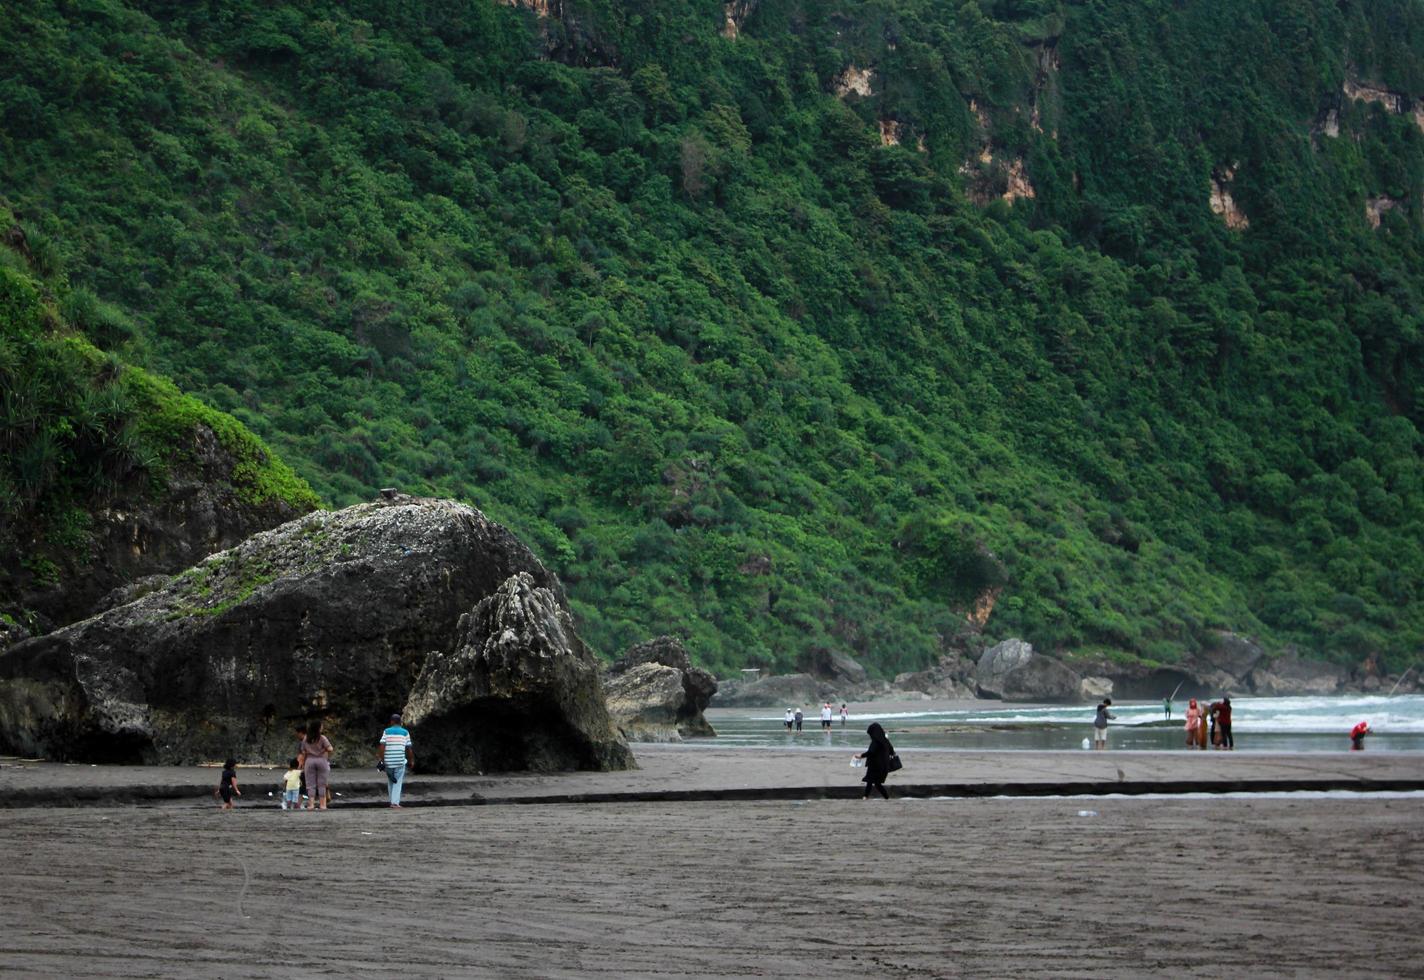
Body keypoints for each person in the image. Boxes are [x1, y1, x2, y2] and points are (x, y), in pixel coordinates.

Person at [378, 713, 414, 809]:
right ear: (400, 722)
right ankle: (394, 803)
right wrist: (411, 761)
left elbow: (382, 746)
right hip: (399, 761)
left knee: (391, 780)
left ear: (391, 722)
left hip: (388, 762)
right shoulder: (405, 732)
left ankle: (392, 801)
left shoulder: (386, 731)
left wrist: (382, 760)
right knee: (397, 782)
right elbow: (409, 749)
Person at [855, 722, 896, 800]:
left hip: (875, 765)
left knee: (870, 781)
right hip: (884, 766)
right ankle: (886, 798)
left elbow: (871, 752)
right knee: (876, 783)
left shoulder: (876, 741)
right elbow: (892, 751)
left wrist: (861, 756)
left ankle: (865, 797)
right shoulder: (885, 740)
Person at [301, 720, 334, 811]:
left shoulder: (306, 738)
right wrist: (323, 750)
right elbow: (330, 749)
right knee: (322, 784)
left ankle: (311, 804)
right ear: (318, 728)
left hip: (310, 761)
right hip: (321, 760)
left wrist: (303, 763)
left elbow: (303, 751)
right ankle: (322, 805)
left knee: (310, 784)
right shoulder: (322, 738)